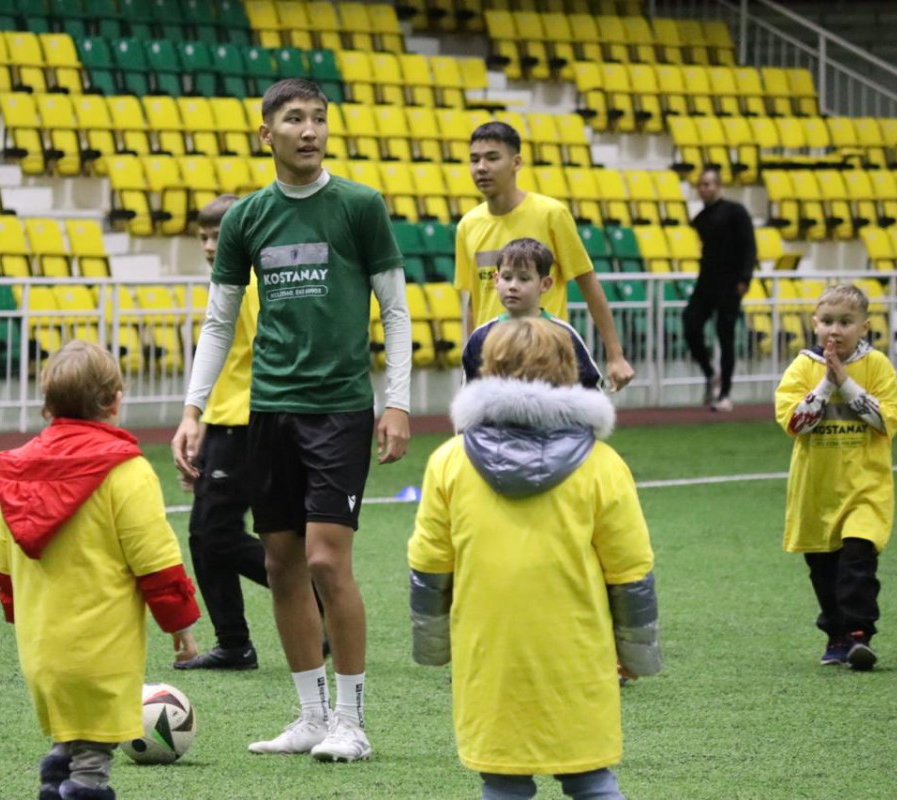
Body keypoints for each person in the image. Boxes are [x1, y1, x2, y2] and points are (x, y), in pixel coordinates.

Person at [171, 77, 413, 763]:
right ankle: (309, 716)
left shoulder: (360, 206)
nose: (309, 130)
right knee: (279, 564)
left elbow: (394, 311)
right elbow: (219, 322)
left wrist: (396, 400)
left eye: (318, 119)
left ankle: (351, 721)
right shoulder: (247, 219)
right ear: (266, 133)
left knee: (324, 560)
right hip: (266, 411)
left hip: (338, 407)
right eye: (294, 119)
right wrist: (193, 409)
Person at [408, 318, 661, 800]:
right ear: (569, 372)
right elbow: (631, 570)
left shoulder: (449, 461)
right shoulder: (603, 464)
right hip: (578, 650)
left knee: (502, 782)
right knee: (591, 779)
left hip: (489, 647)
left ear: (488, 370)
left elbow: (429, 563)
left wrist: (433, 646)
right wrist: (637, 654)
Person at [0, 340, 201, 800]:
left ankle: (55, 778)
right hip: (102, 646)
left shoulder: (18, 474)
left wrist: (18, 614)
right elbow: (157, 562)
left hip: (41, 645)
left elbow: (2, 569)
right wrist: (181, 625)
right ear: (115, 399)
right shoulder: (126, 472)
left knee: (69, 737)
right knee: (94, 764)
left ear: (47, 406)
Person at [774, 284, 897, 671]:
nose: (835, 330)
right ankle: (836, 634)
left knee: (858, 560)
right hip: (817, 491)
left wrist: (846, 381)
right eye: (828, 321)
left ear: (864, 326)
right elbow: (796, 422)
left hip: (865, 488)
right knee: (824, 571)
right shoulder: (801, 368)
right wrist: (827, 382)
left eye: (845, 322)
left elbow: (884, 419)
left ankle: (860, 634)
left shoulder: (877, 365)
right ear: (815, 324)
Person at [455, 121, 634, 392]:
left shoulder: (551, 214)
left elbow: (588, 284)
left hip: (545, 361)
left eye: (492, 158)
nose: (481, 167)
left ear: (516, 163)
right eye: (474, 159)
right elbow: (474, 302)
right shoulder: (467, 225)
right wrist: (473, 359)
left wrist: (615, 355)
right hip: (494, 365)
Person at [174, 194, 271, 672]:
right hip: (225, 423)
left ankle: (311, 596)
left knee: (215, 533)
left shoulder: (251, 285)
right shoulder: (229, 281)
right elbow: (230, 365)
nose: (211, 246)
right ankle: (233, 642)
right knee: (206, 533)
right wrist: (201, 426)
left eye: (219, 236)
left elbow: (258, 362)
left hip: (251, 423)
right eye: (204, 237)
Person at [462, 237, 601, 389]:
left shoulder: (562, 335)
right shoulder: (481, 336)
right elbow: (469, 392)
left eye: (524, 278)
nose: (513, 286)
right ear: (496, 279)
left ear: (545, 284)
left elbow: (591, 388)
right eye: (507, 277)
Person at [685, 166, 757, 412]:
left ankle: (725, 393)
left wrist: (745, 279)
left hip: (730, 284)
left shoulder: (736, 212)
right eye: (701, 185)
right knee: (690, 324)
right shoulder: (700, 218)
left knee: (725, 337)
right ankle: (710, 374)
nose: (704, 188)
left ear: (719, 186)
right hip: (706, 283)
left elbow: (749, 246)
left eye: (709, 184)